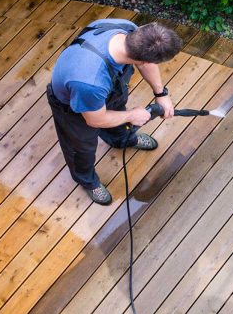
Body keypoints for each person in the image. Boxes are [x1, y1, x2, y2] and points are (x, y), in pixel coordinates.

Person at [47, 18, 182, 205]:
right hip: (74, 108)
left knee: (119, 116)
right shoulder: (90, 81)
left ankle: (121, 140)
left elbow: (145, 63)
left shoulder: (130, 31)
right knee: (81, 148)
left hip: (108, 92)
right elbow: (96, 120)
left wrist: (161, 94)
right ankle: (87, 180)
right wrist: (131, 116)